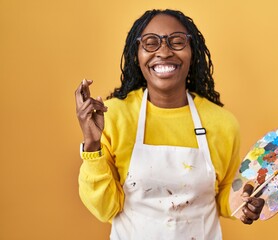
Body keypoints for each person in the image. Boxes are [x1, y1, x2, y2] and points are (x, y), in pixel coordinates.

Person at [75, 9, 265, 239]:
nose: (164, 52)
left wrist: (242, 203)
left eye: (177, 42)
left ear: (192, 52)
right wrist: (92, 145)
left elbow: (224, 194)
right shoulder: (113, 116)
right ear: (137, 55)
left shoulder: (223, 124)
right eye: (150, 43)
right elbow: (106, 209)